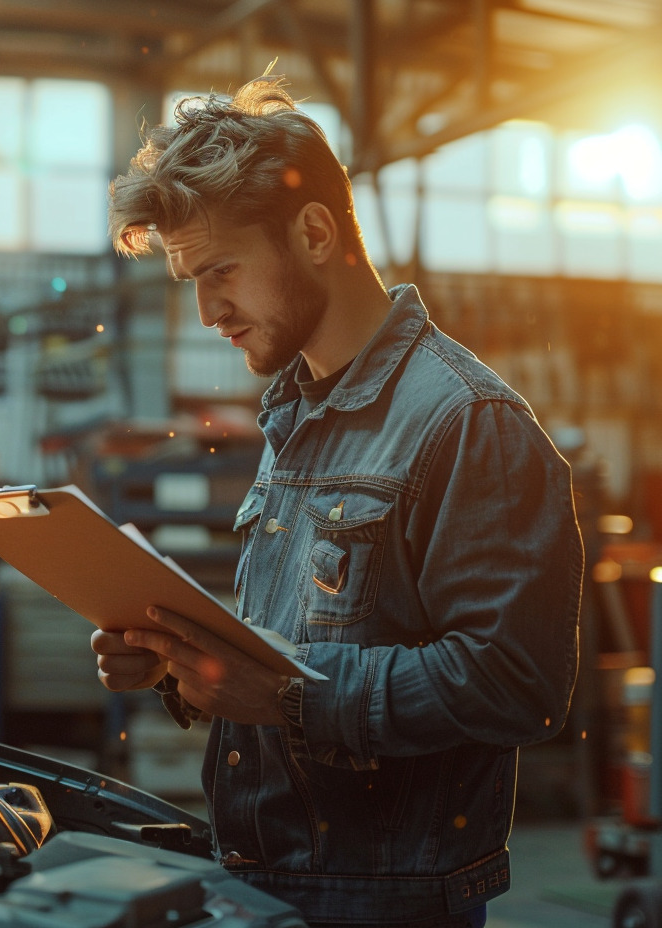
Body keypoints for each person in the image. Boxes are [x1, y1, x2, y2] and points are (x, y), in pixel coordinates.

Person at [93, 72, 584, 928]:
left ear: (314, 232)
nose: (209, 311)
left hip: (382, 907)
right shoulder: (299, 411)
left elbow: (518, 685)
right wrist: (187, 665)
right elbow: (311, 636)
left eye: (221, 272)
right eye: (190, 282)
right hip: (263, 883)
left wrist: (285, 695)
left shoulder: (467, 421)